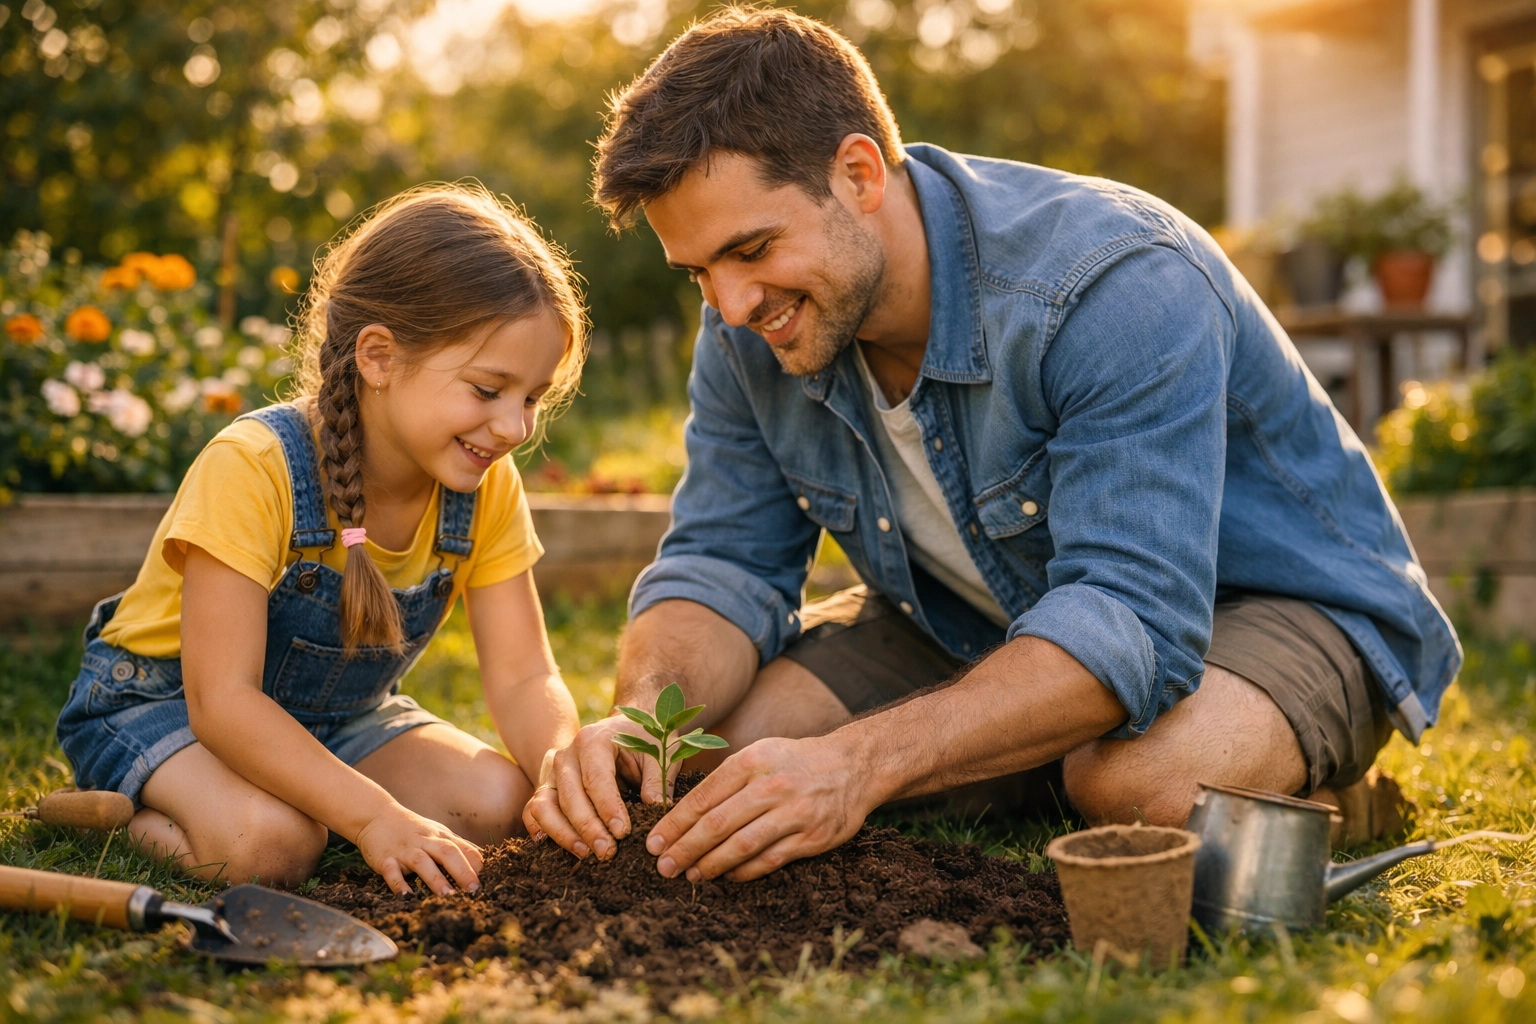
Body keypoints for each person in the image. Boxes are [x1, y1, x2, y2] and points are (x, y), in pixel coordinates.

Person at [524, 8, 1461, 883]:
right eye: (699, 272)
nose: (731, 306)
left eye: (752, 250)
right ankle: (1034, 744)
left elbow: (1130, 617)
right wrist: (646, 723)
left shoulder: (1112, 283)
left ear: (859, 173)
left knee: (1135, 787)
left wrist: (858, 764)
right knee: (723, 744)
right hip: (978, 615)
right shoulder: (746, 329)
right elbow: (720, 562)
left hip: (1269, 603)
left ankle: (1314, 799)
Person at [57, 184, 587, 895]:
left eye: (533, 398)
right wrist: (373, 819)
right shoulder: (254, 465)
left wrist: (561, 768)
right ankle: (121, 816)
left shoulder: (485, 486)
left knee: (496, 805)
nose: (515, 428)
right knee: (269, 848)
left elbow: (524, 674)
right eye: (488, 390)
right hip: (164, 707)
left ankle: (309, 800)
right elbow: (223, 702)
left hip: (338, 721)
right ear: (378, 357)